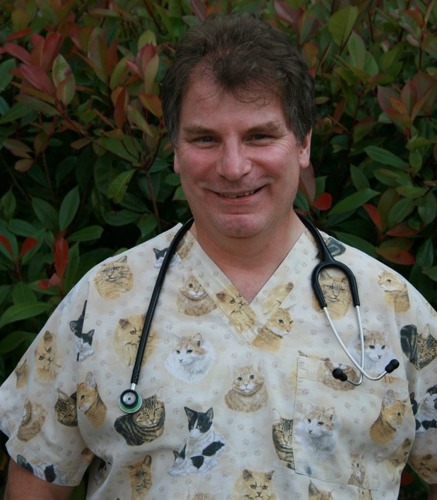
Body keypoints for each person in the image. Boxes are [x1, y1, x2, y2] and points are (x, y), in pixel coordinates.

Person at [1, 13, 436, 500]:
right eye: (205, 139)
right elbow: (37, 478)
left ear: (304, 143)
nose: (233, 167)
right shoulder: (103, 301)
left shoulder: (391, 308)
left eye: (260, 136)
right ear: (175, 151)